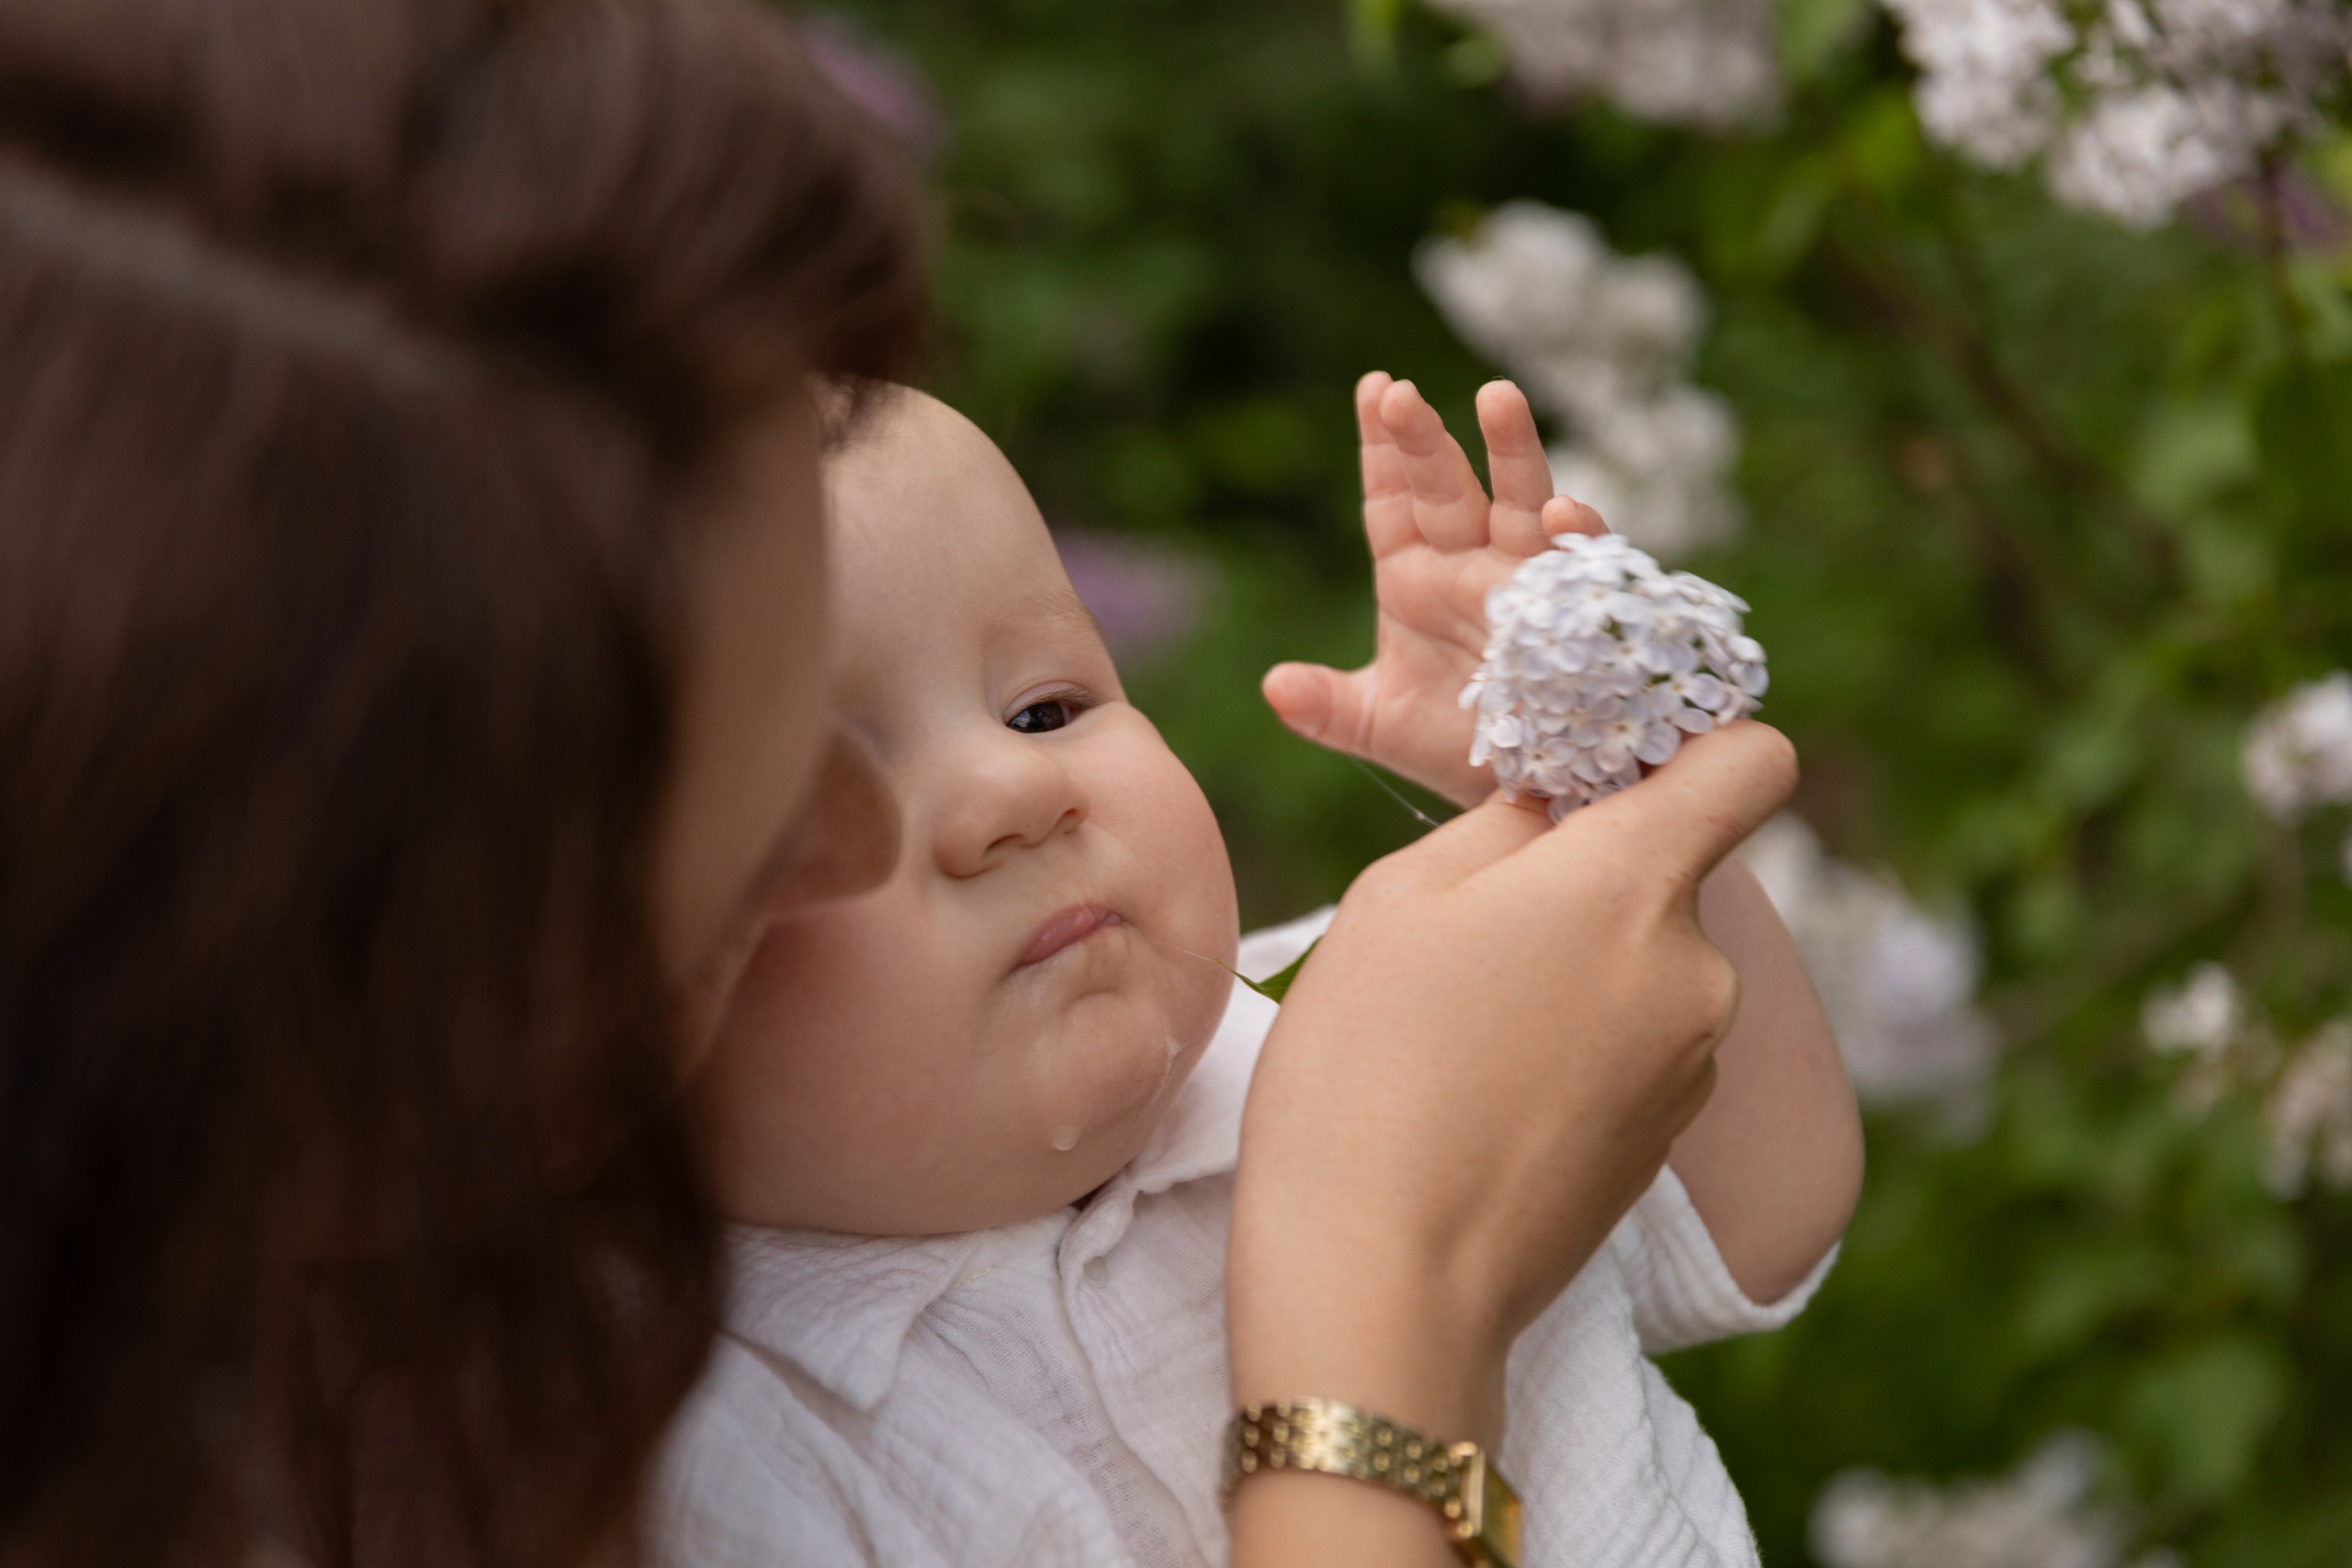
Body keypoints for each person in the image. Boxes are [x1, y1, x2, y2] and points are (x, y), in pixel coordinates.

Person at [0, 3, 1806, 1567]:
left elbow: (1765, 1186)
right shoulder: (661, 1447)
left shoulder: (1334, 1032)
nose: (982, 804)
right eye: (764, 821)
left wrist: (1608, 796)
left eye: (1043, 703)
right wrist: (1380, 1303)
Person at [654, 380, 1860, 1566]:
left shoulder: (1366, 1023)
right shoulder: (715, 1451)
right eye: (822, 797)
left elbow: (1764, 1212)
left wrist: (1599, 791)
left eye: (1044, 708)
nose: (1017, 796)